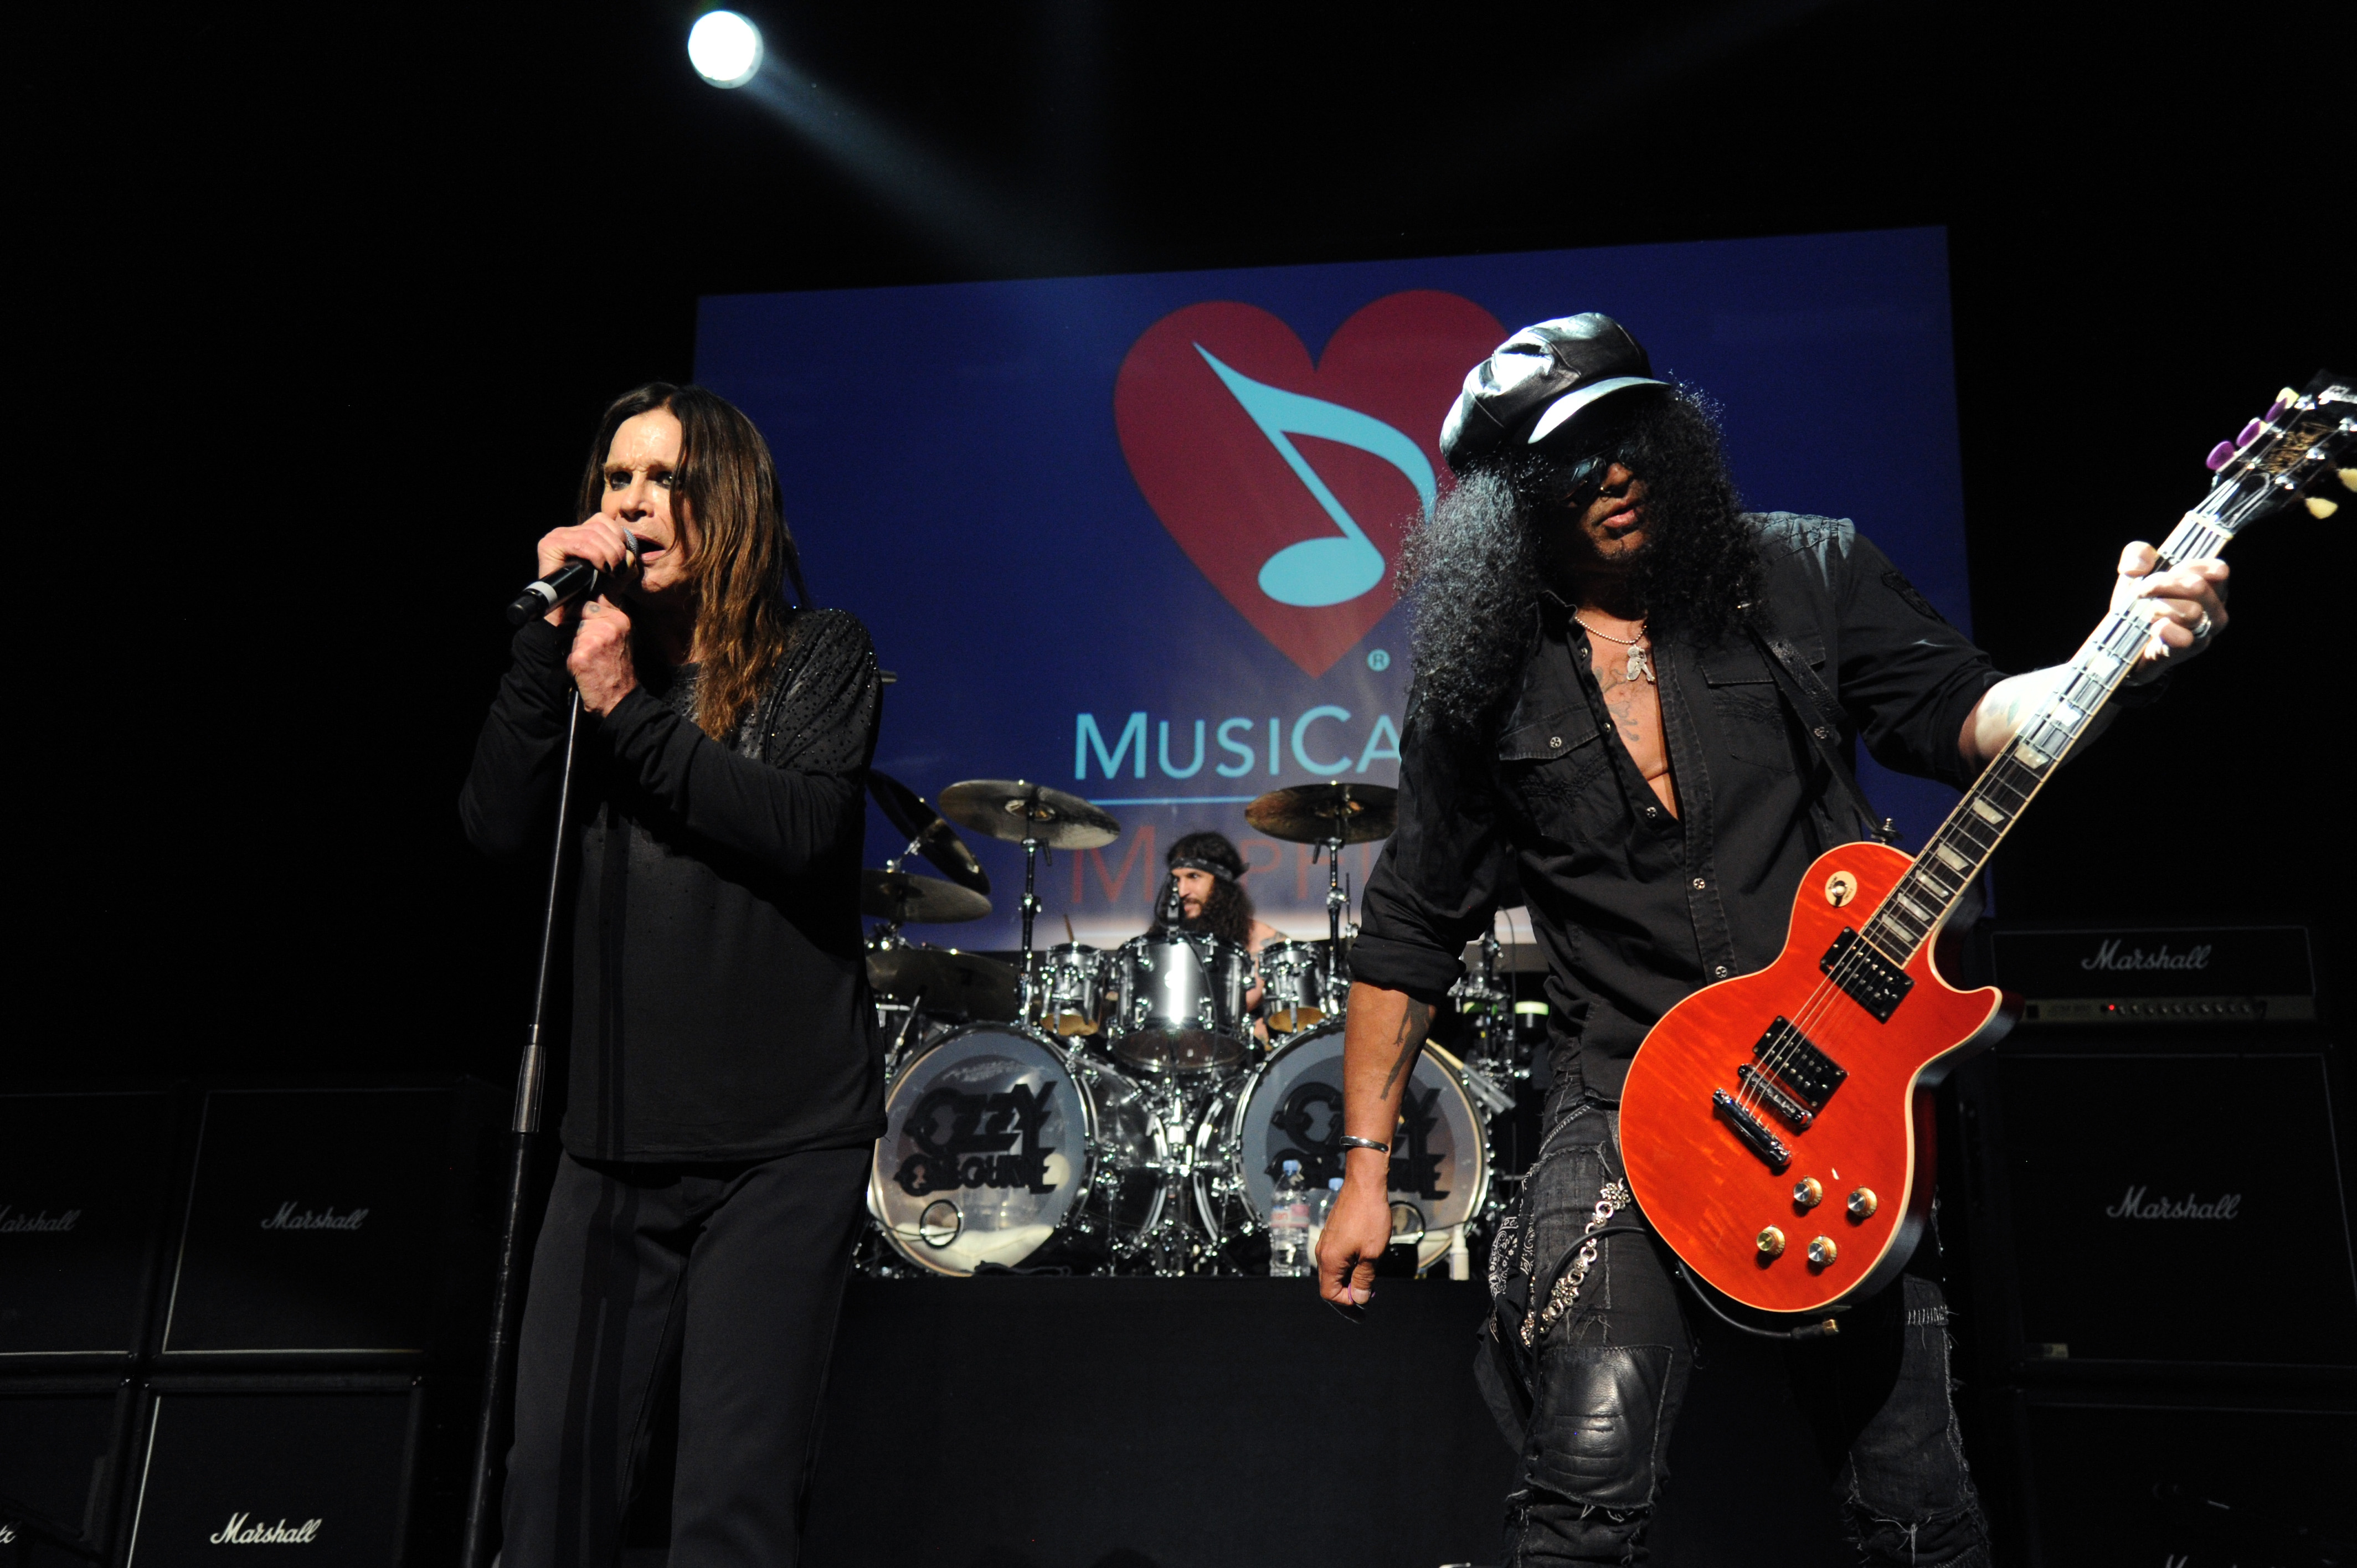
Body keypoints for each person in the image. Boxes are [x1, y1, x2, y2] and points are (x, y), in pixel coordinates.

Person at [1314, 316, 2227, 1565]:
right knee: (1583, 1500)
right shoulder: (1481, 677)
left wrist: (2111, 655)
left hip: (1840, 1093)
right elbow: (1411, 929)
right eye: (1569, 458)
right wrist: (1365, 1171)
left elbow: (1970, 715)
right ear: (1511, 501)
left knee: (1918, 1519)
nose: (1613, 472)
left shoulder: (1803, 570)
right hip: (1623, 1094)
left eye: (1628, 435)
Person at [460, 383, 883, 1567]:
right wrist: (546, 658)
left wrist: (623, 709)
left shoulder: (818, 653)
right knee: (548, 1487)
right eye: (616, 479)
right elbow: (494, 826)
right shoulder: (580, 660)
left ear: (729, 502)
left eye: (664, 479)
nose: (634, 502)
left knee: (730, 1504)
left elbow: (799, 829)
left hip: (782, 1144)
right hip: (611, 1139)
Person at [1143, 830, 1282, 1024]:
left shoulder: (1263, 940)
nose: (1182, 892)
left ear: (1222, 884)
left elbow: (1240, 1005)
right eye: (1176, 880)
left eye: (1193, 876)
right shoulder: (1157, 941)